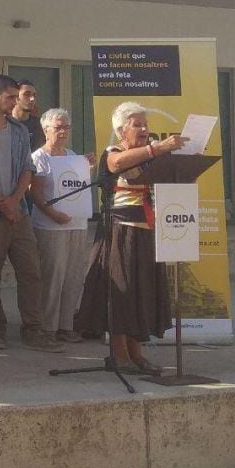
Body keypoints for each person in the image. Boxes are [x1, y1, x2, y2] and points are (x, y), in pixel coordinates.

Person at [75, 102, 188, 374]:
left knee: (142, 292)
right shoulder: (113, 152)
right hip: (120, 231)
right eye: (137, 125)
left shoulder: (148, 158)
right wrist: (157, 147)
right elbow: (117, 164)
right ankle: (119, 354)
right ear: (121, 130)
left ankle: (137, 353)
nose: (144, 129)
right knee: (121, 293)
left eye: (145, 124)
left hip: (147, 231)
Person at [0, 75, 63, 353]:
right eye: (10, 96)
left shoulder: (20, 130)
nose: (15, 101)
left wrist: (15, 200)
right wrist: (1, 201)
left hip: (18, 213)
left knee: (31, 270)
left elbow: (26, 168)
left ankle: (34, 329)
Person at [29, 108, 92, 343]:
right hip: (50, 225)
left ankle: (66, 325)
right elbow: (33, 193)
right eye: (58, 127)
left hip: (77, 224)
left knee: (73, 275)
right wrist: (52, 213)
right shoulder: (39, 157)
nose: (63, 131)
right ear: (46, 130)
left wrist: (88, 168)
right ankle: (47, 327)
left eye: (66, 126)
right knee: (52, 275)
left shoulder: (73, 156)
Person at [13, 79, 45, 151]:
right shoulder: (4, 123)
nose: (32, 99)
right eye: (27, 94)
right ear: (16, 97)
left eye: (34, 95)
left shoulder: (40, 125)